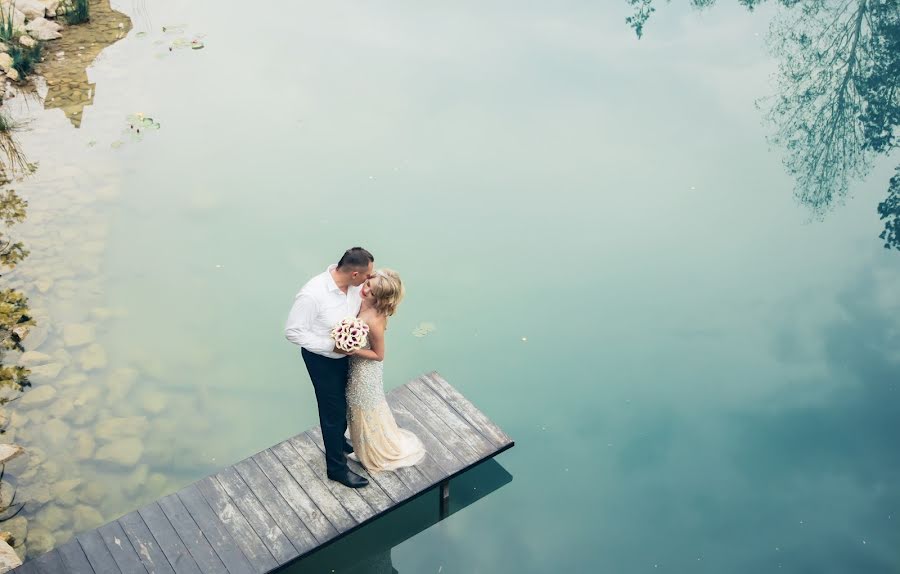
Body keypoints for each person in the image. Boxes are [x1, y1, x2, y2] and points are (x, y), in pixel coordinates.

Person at [285, 247, 374, 488]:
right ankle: (336, 468)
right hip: (322, 360)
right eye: (367, 275)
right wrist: (330, 346)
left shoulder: (355, 287)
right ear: (354, 274)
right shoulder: (312, 295)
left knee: (345, 402)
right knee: (332, 412)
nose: (370, 279)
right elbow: (292, 332)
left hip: (348, 354)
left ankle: (340, 442)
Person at [347, 269, 425, 471]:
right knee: (357, 407)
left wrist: (352, 350)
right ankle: (360, 442)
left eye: (371, 292)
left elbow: (379, 355)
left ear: (381, 299)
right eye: (368, 286)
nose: (365, 291)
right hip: (355, 366)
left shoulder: (375, 321)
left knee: (363, 405)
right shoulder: (362, 301)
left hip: (365, 370)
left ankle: (372, 450)